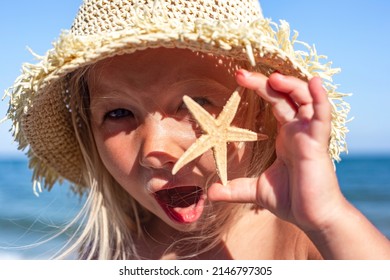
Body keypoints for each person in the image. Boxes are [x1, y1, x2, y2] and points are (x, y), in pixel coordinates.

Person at [4, 0, 390, 260]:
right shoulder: (103, 256)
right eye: (119, 112)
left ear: (259, 113)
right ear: (88, 129)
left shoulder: (309, 244)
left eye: (198, 104)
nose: (156, 148)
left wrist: (327, 217)